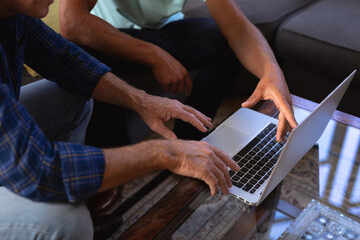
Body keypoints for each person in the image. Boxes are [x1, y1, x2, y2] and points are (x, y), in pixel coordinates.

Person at [0, 0, 242, 239]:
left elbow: (64, 59)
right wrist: (167, 154)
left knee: (68, 94)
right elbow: (38, 168)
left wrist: (142, 101)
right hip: (28, 165)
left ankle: (68, 194)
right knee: (67, 222)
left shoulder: (13, 13)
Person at [59, 0, 298, 144]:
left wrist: (272, 71)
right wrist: (153, 55)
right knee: (82, 54)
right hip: (109, 34)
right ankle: (112, 152)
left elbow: (238, 30)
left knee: (223, 44)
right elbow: (72, 22)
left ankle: (189, 139)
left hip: (164, 30)